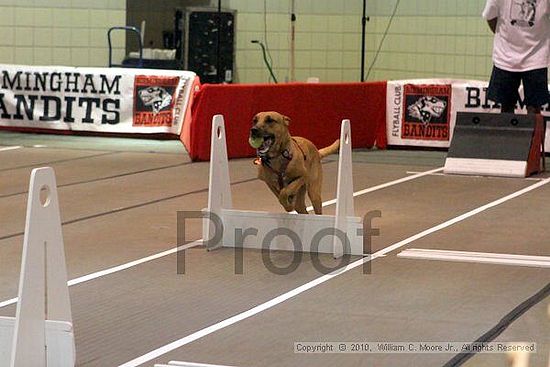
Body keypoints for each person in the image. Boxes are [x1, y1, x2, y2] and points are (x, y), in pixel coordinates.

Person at [482, 0, 550, 114]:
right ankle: (509, 132)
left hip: (535, 57)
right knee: (506, 106)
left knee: (534, 108)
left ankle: (534, 132)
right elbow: (490, 16)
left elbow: (491, 18)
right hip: (506, 57)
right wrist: (507, 40)